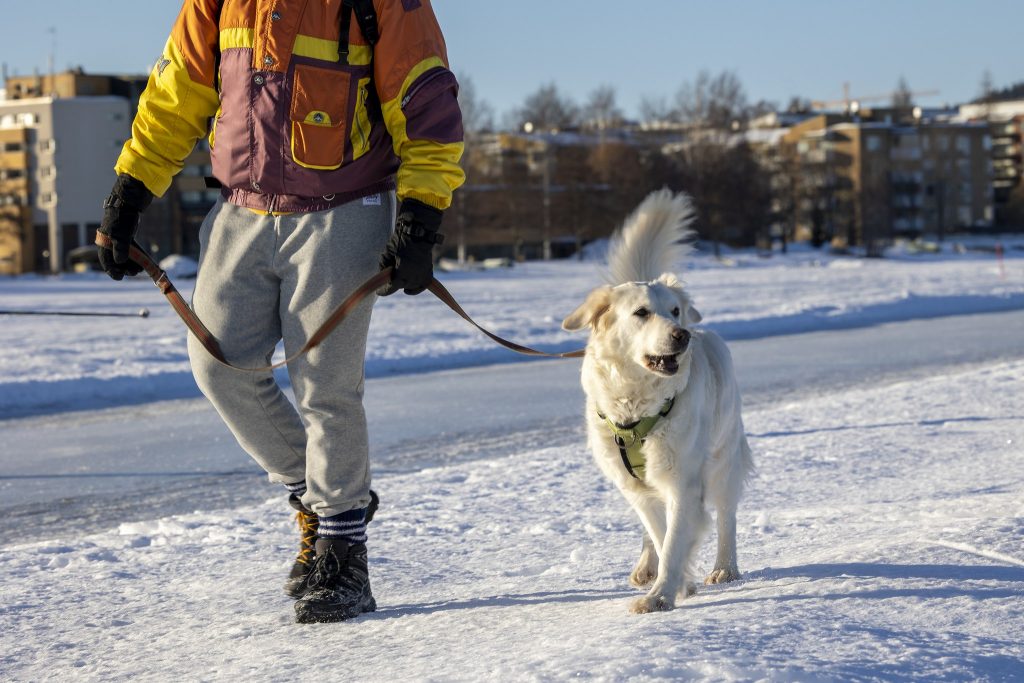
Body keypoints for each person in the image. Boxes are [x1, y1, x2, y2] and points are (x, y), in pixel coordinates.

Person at [97, 0, 464, 624]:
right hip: (241, 207)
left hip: (342, 207)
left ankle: (343, 551)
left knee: (326, 388)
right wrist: (130, 191)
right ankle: (319, 500)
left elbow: (424, 98)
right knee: (218, 364)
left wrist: (422, 214)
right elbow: (176, 92)